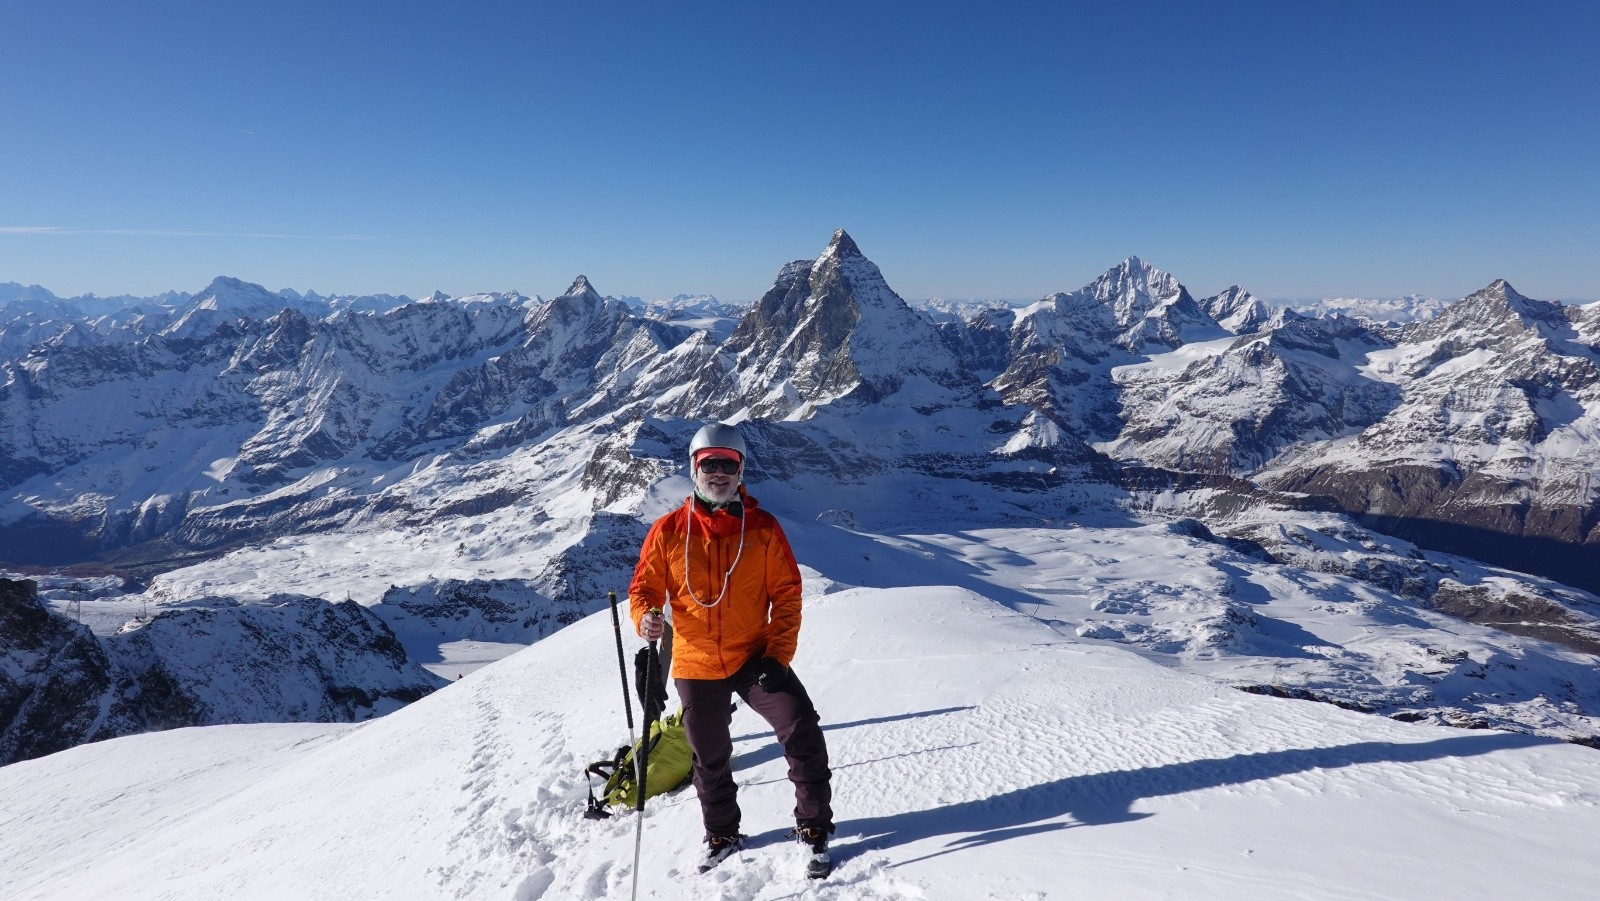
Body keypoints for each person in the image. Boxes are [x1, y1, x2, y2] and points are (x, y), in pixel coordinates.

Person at [628, 422, 835, 877]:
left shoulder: (762, 530)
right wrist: (644, 616)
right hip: (696, 662)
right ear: (694, 469)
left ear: (741, 471)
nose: (719, 473)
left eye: (729, 465)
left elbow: (787, 594)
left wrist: (777, 657)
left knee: (800, 728)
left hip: (754, 656)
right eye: (710, 465)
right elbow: (644, 588)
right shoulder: (668, 532)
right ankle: (721, 833)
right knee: (709, 756)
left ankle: (814, 828)